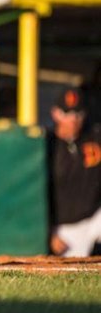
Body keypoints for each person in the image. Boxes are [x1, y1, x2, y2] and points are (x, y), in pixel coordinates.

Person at [47, 87, 101, 257]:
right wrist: (47, 233)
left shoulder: (94, 137)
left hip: (95, 219)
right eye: (66, 113)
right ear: (55, 113)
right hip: (65, 230)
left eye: (77, 114)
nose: (73, 120)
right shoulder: (47, 146)